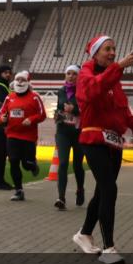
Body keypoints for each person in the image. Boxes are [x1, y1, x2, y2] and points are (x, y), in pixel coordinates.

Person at [71, 35, 133, 264]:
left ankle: (84, 234)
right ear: (95, 53)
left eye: (114, 49)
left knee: (102, 191)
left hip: (114, 143)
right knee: (109, 189)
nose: (112, 53)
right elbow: (91, 91)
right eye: (107, 49)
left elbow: (125, 114)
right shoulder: (85, 74)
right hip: (92, 138)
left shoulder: (115, 81)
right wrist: (119, 67)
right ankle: (109, 247)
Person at [0, 70, 46, 202]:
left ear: (28, 82)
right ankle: (19, 190)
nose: (19, 82)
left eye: (22, 80)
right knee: (13, 161)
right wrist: (3, 118)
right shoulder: (9, 97)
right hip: (12, 135)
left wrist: (31, 119)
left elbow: (42, 115)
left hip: (29, 137)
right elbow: (1, 116)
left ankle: (32, 164)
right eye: (17, 79)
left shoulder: (35, 97)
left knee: (26, 164)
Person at [54, 64, 86, 209]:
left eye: (74, 74)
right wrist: (58, 115)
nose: (71, 76)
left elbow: (88, 109)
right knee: (63, 163)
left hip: (79, 132)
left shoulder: (84, 91)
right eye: (68, 73)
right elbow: (59, 108)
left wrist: (75, 110)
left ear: (79, 76)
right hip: (62, 132)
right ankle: (61, 198)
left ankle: (80, 190)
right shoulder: (61, 91)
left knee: (78, 165)